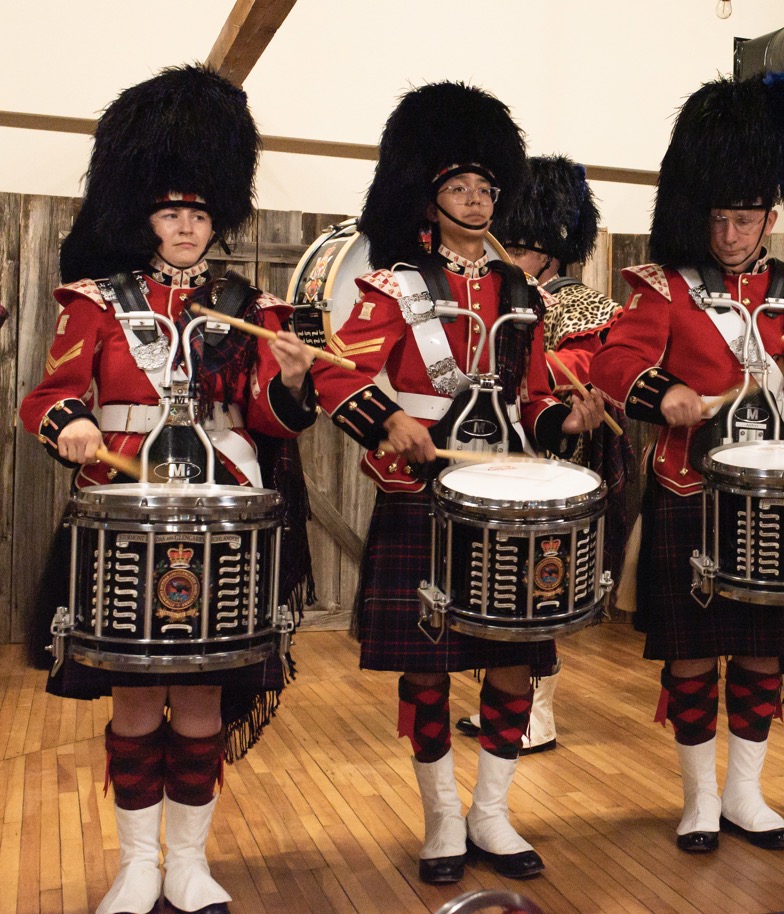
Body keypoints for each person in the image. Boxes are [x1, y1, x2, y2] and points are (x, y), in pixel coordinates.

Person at [19, 65, 318, 914]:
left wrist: (292, 382)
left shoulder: (246, 304)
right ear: (145, 217)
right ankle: (135, 864)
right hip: (124, 514)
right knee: (137, 688)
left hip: (227, 510)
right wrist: (71, 422)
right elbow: (46, 397)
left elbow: (266, 414)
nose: (186, 227)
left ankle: (187, 864)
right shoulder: (95, 302)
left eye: (198, 214)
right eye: (171, 213)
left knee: (204, 687)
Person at [309, 82, 603, 884]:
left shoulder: (522, 294)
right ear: (429, 199)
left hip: (508, 498)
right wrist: (385, 422)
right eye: (458, 189)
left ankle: (493, 813)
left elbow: (536, 399)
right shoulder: (393, 285)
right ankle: (442, 817)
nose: (474, 201)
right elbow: (340, 377)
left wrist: (564, 422)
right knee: (429, 666)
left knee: (514, 663)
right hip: (420, 492)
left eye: (485, 189)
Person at [593, 72, 784, 854]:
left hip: (778, 502)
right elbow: (613, 364)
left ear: (771, 216)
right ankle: (696, 799)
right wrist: (664, 394)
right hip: (692, 487)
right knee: (691, 655)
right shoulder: (662, 290)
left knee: (763, 651)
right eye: (719, 218)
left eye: (745, 218)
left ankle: (746, 794)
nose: (730, 234)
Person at [455, 155, 629, 754]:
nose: (510, 255)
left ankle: (538, 717)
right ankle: (502, 708)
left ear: (550, 252)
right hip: (510, 455)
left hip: (566, 460)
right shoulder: (498, 294)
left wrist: (559, 397)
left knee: (535, 595)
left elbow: (577, 375)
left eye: (522, 248)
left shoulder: (583, 307)